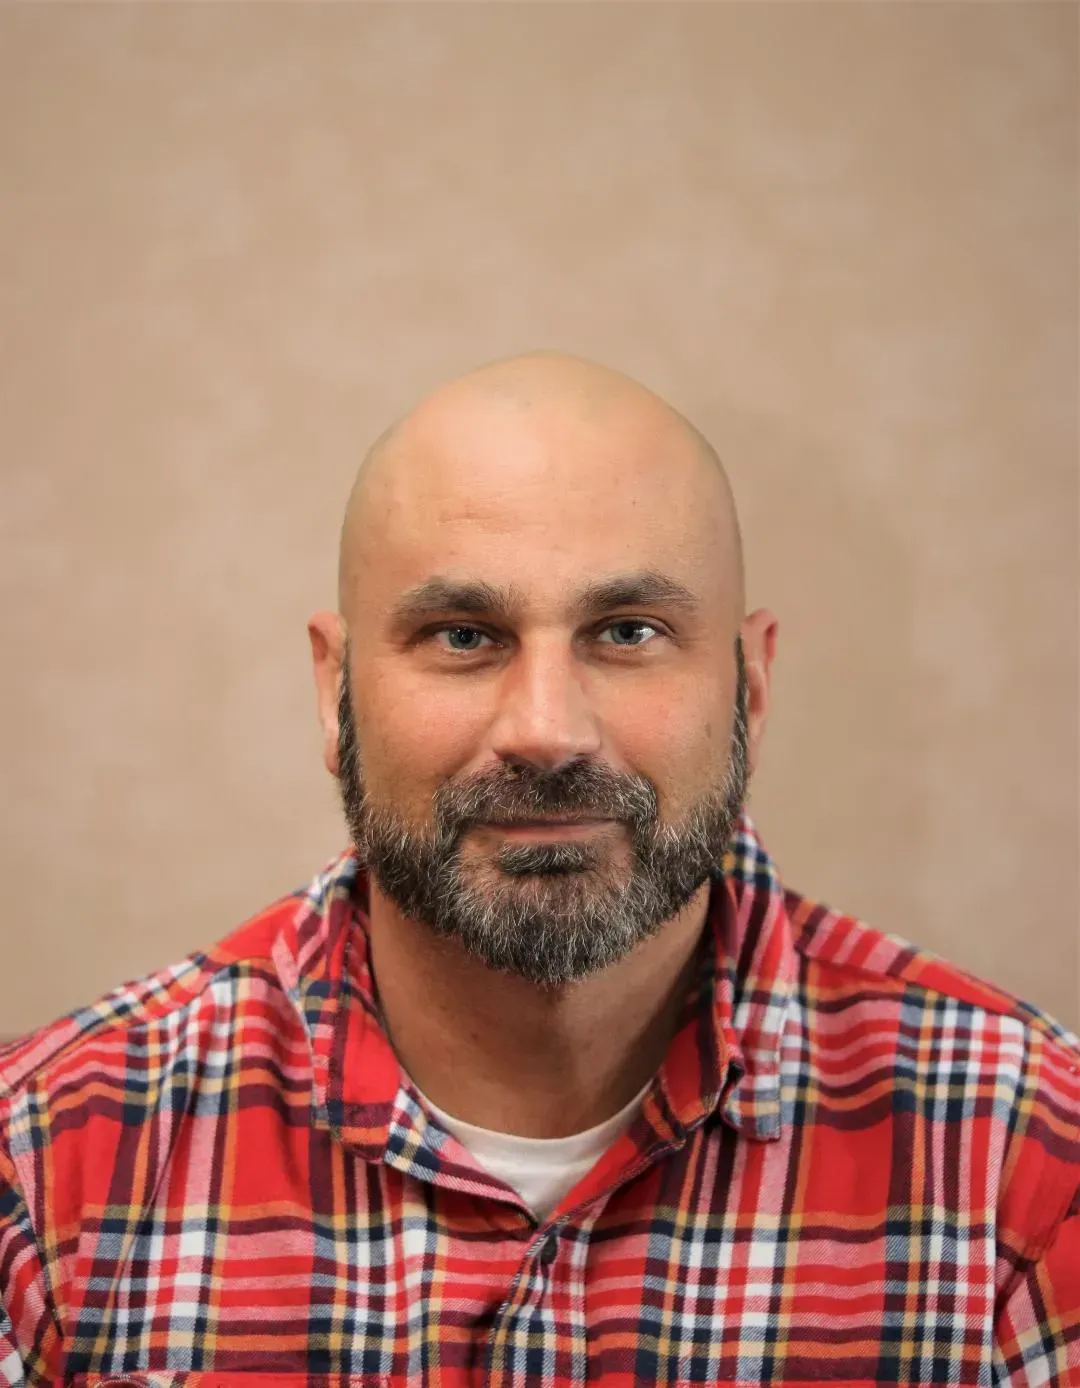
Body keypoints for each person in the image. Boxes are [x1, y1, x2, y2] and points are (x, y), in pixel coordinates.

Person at [1, 352, 1077, 1387]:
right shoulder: (45, 1167)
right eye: (465, 635)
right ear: (334, 692)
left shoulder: (1031, 1169)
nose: (548, 730)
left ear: (750, 684)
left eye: (628, 629)